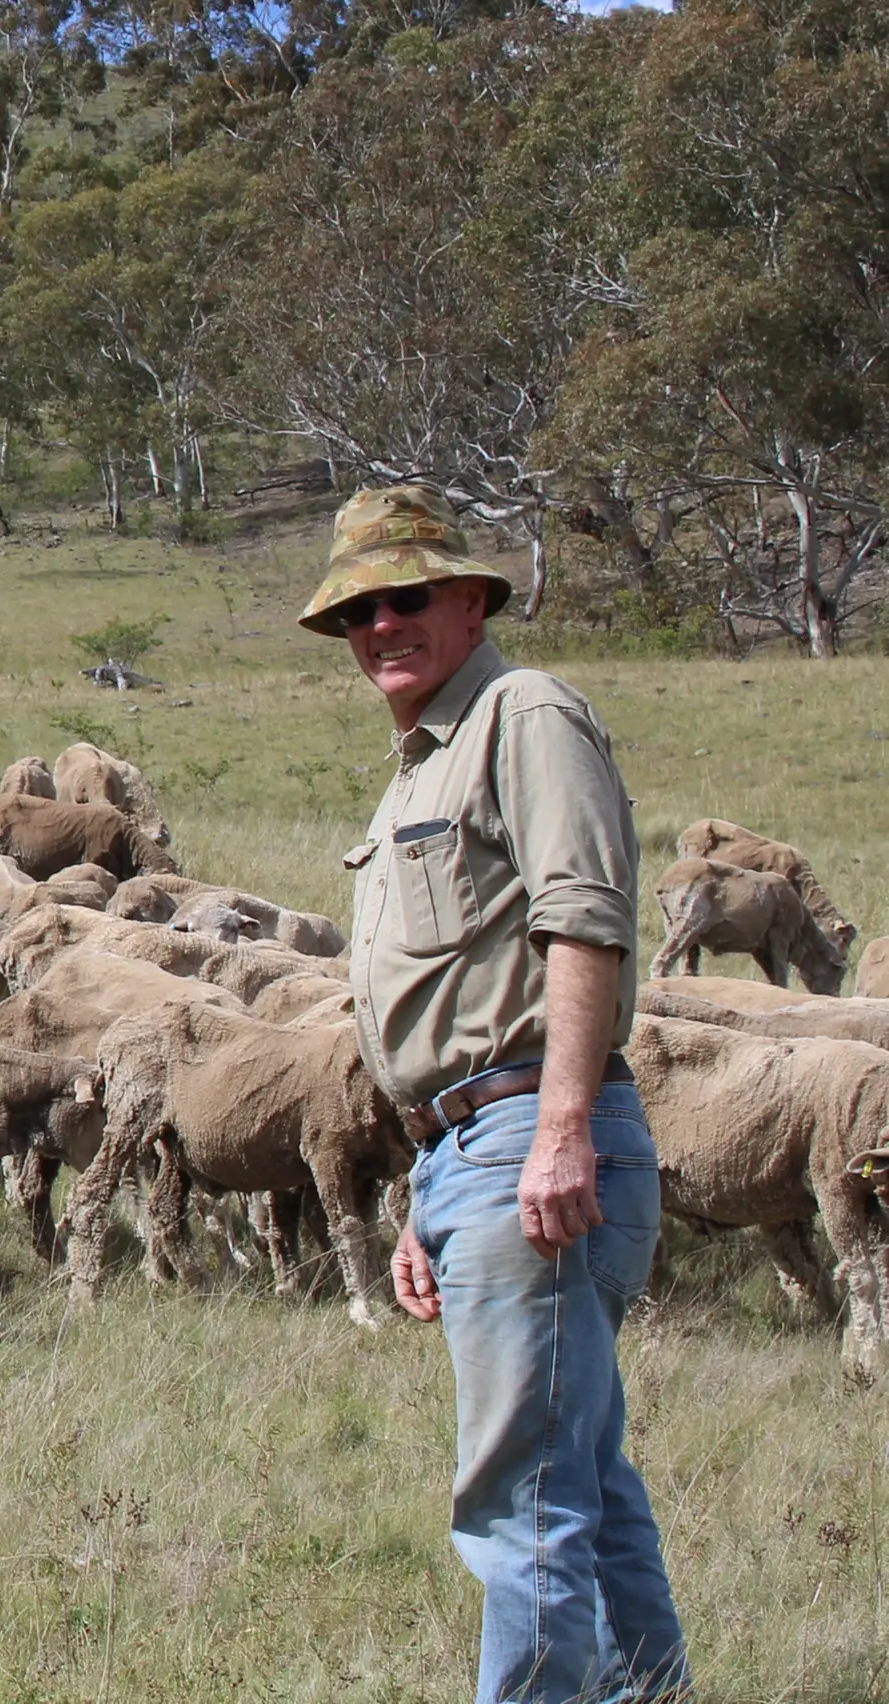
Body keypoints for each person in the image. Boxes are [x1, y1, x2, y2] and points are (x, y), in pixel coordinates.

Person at [310, 486, 686, 1702]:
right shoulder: (419, 765)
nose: (383, 624)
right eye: (361, 608)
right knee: (579, 1475)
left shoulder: (523, 716)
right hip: (476, 1146)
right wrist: (431, 1188)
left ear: (472, 599)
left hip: (535, 1129)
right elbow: (457, 995)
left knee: (519, 1498)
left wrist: (560, 1128)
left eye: (408, 596)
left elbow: (584, 919)